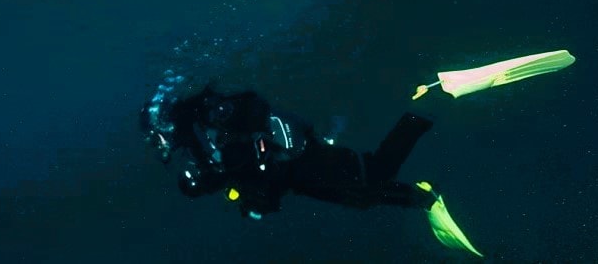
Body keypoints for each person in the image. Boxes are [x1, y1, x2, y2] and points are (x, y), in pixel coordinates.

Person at [140, 84, 482, 257]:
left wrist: (267, 152)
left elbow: (257, 115)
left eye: (155, 138)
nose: (159, 148)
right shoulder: (198, 145)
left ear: (165, 124)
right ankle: (424, 198)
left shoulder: (211, 116)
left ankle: (427, 103)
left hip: (302, 157)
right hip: (294, 177)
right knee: (360, 198)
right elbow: (231, 173)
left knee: (374, 173)